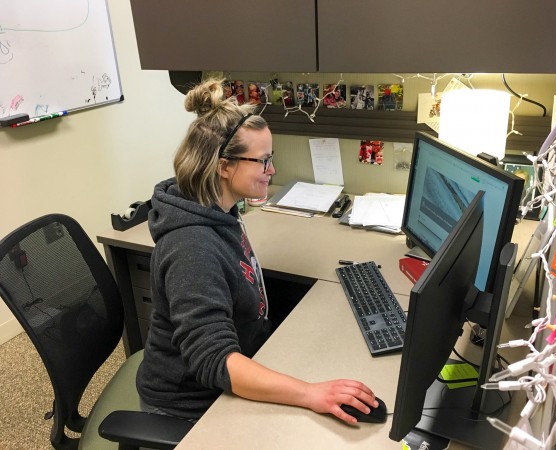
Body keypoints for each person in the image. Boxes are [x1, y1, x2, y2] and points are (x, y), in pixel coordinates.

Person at [136, 78, 379, 424]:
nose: (272, 170)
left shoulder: (219, 210)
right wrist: (309, 393)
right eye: (263, 161)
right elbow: (214, 361)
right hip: (191, 405)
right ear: (223, 166)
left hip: (238, 365)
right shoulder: (191, 248)